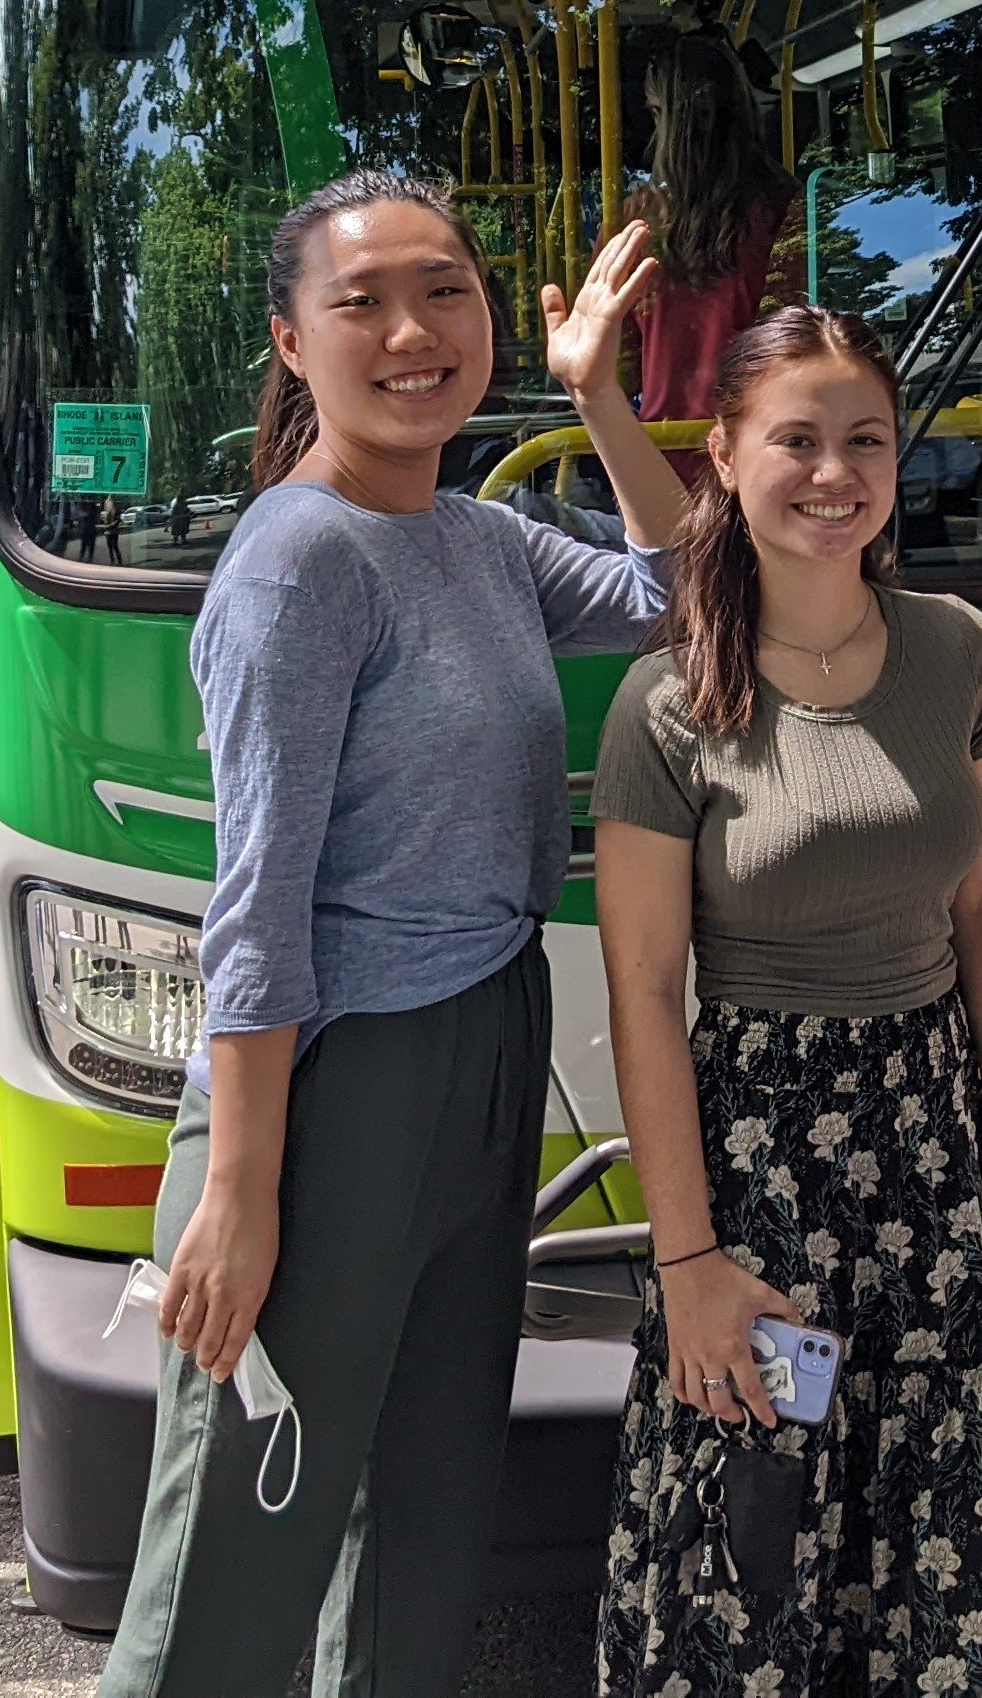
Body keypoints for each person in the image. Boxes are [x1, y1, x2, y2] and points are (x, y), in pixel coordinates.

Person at [101, 173, 690, 1698]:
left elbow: (683, 594)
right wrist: (239, 1192)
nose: (414, 331)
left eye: (446, 291)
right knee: (242, 1538)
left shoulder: (481, 540)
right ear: (294, 344)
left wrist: (600, 396)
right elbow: (259, 901)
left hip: (485, 1043)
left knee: (428, 1526)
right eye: (363, 303)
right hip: (329, 1085)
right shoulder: (299, 564)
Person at [592, 305, 982, 1696]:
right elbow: (644, 985)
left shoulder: (956, 650)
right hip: (759, 1175)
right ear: (724, 455)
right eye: (795, 438)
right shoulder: (669, 702)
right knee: (745, 1561)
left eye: (865, 439)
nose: (833, 471)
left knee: (941, 1559)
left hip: (932, 1151)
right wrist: (686, 1263)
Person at [628, 35, 800, 476]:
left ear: (667, 120)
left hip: (661, 453)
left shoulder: (637, 220)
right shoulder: (787, 208)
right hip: (764, 448)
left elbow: (616, 356)